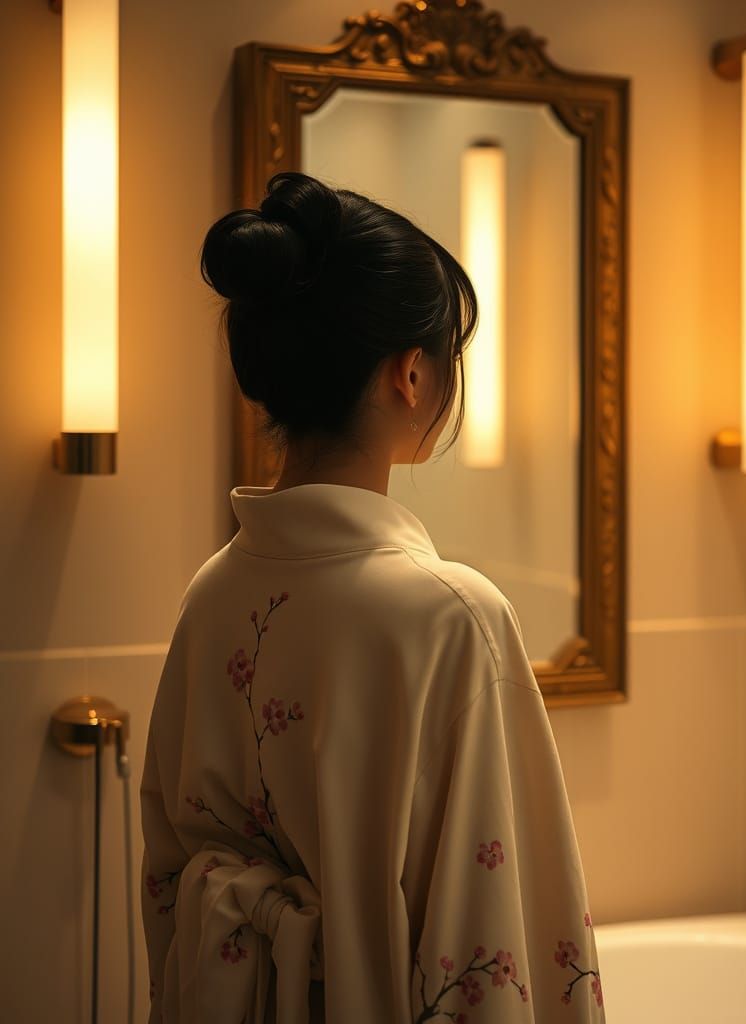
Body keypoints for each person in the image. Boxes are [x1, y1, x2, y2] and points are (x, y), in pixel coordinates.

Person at [139, 171, 606, 1023]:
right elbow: (486, 942)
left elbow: (168, 879)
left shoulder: (213, 595)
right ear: (412, 376)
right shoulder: (451, 616)